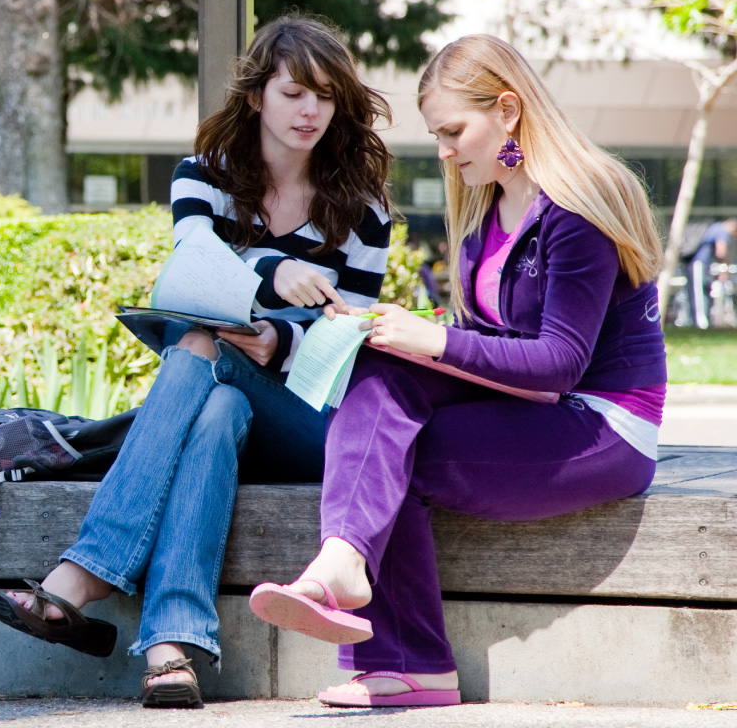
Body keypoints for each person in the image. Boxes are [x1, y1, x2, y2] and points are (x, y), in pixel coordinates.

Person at [0, 16, 394, 708]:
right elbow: (192, 271)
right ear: (258, 95)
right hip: (224, 405)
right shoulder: (203, 177)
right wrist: (273, 272)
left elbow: (349, 339)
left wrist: (278, 342)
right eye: (295, 93)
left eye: (326, 96)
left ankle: (86, 574)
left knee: (198, 345)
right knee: (215, 407)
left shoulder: (361, 208)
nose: (310, 111)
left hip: (308, 420)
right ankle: (172, 649)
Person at [247, 34, 666, 708]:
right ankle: (356, 583)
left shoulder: (578, 204)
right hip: (536, 409)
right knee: (381, 374)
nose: (443, 150)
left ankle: (379, 620)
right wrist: (401, 334)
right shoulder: (487, 208)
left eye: (452, 131)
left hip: (604, 428)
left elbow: (560, 363)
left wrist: (434, 340)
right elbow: (497, 344)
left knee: (393, 440)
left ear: (507, 109)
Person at [689, 217, 737, 329]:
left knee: (703, 292)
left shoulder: (715, 227)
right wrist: (725, 267)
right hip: (699, 264)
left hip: (700, 265)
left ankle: (702, 321)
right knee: (699, 294)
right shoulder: (721, 231)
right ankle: (701, 323)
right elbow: (721, 252)